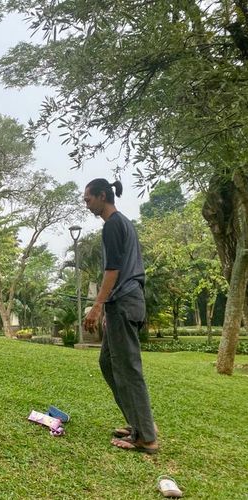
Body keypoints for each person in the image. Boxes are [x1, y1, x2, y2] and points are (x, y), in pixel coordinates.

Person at [82, 178, 158, 454]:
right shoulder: (122, 223)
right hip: (123, 302)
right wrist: (107, 308)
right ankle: (137, 422)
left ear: (103, 196)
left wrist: (97, 306)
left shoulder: (113, 225)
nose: (86, 204)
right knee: (107, 362)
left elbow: (112, 270)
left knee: (128, 368)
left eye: (88, 199)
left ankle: (146, 438)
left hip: (124, 301)